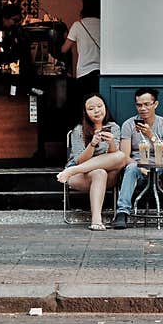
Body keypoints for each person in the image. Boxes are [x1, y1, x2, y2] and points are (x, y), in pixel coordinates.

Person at [112, 87, 163, 229]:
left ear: (155, 104)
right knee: (131, 167)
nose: (142, 108)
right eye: (139, 105)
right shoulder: (129, 125)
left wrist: (151, 135)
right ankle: (122, 213)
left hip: (159, 165)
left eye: (146, 104)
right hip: (138, 166)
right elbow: (124, 157)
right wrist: (140, 166)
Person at [57, 93, 127, 230]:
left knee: (120, 156)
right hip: (80, 175)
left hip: (107, 175)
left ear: (105, 108)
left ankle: (71, 171)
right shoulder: (79, 130)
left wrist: (111, 141)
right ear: (85, 112)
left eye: (100, 106)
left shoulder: (114, 128)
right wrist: (92, 144)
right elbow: (79, 160)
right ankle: (96, 220)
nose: (96, 110)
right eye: (91, 108)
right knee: (99, 172)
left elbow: (114, 157)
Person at [61, 0, 101, 110]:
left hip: (84, 73)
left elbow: (64, 49)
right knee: (99, 107)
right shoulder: (104, 24)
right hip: (101, 73)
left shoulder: (78, 25)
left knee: (85, 107)